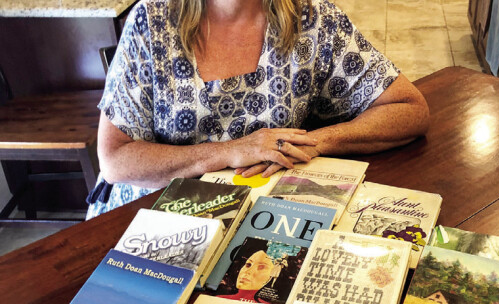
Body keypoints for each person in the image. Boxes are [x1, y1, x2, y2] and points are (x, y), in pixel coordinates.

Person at [86, 0, 430, 219]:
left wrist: (315, 142)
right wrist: (228, 152)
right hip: (150, 218)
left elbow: (409, 108)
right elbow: (116, 160)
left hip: (264, 217)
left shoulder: (313, 18)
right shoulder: (152, 20)